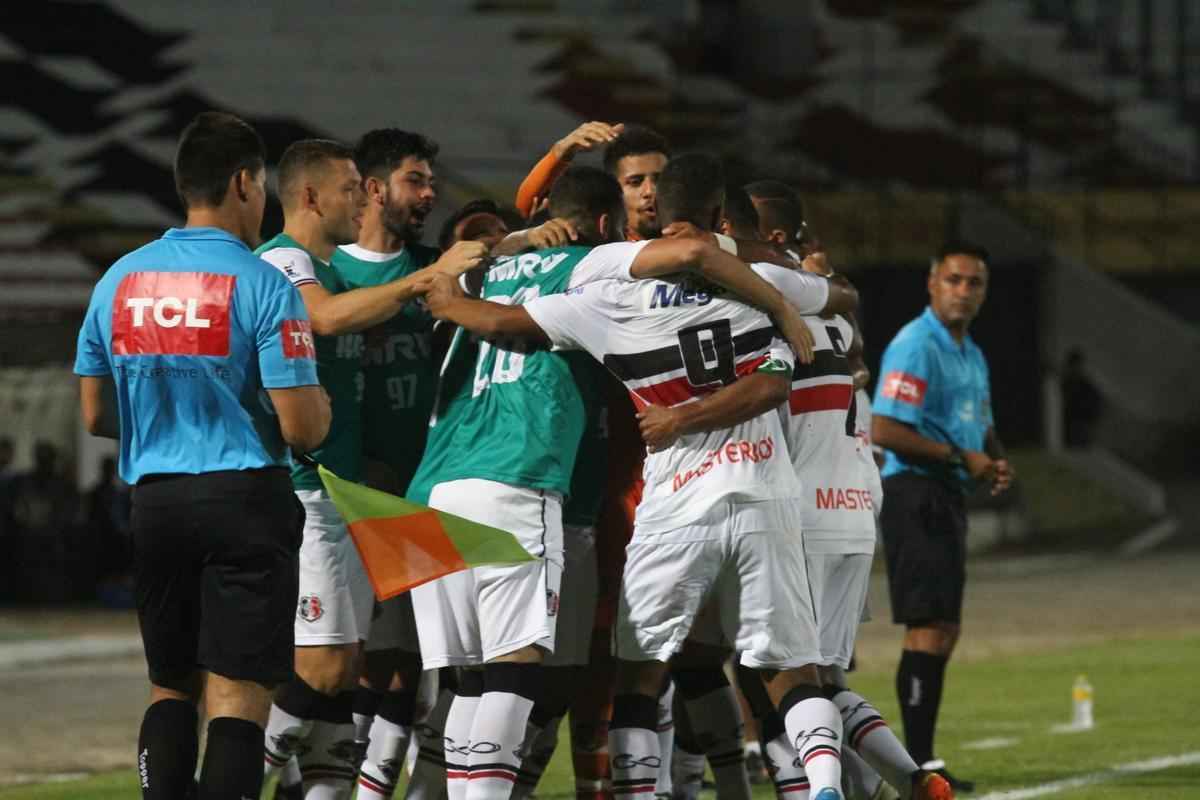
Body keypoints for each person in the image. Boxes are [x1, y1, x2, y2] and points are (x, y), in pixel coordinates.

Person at [422, 160, 855, 800]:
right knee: (788, 669)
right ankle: (821, 786)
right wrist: (794, 294)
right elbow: (815, 328)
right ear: (720, 219)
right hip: (764, 492)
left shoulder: (607, 294)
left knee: (638, 674)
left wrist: (448, 298)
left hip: (674, 506)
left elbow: (501, 325)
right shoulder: (763, 279)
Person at [73, 111, 331, 800]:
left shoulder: (117, 282)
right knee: (239, 695)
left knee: (169, 686)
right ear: (245, 183)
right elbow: (303, 429)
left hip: (155, 501)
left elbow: (98, 414)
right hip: (245, 496)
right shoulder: (264, 284)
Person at [256, 136, 485, 800]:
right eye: (350, 188)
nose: (362, 199)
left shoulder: (325, 268)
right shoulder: (285, 262)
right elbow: (322, 321)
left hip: (350, 492)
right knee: (325, 668)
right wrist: (423, 280)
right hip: (306, 490)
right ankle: (235, 781)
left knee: (348, 668)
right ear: (309, 196)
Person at [872, 242, 1014, 794]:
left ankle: (923, 761)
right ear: (932, 283)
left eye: (973, 282)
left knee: (944, 629)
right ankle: (919, 765)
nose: (962, 291)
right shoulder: (916, 344)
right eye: (953, 280)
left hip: (945, 493)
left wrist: (995, 459)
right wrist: (962, 458)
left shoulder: (970, 352)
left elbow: (978, 426)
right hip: (914, 491)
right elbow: (885, 428)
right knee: (927, 627)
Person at [1060, 348, 1102, 449]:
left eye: (1078, 366)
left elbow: (1095, 406)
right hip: (1068, 427)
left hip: (1082, 426)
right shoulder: (1064, 383)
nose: (1076, 369)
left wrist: (1090, 425)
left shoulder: (1086, 386)